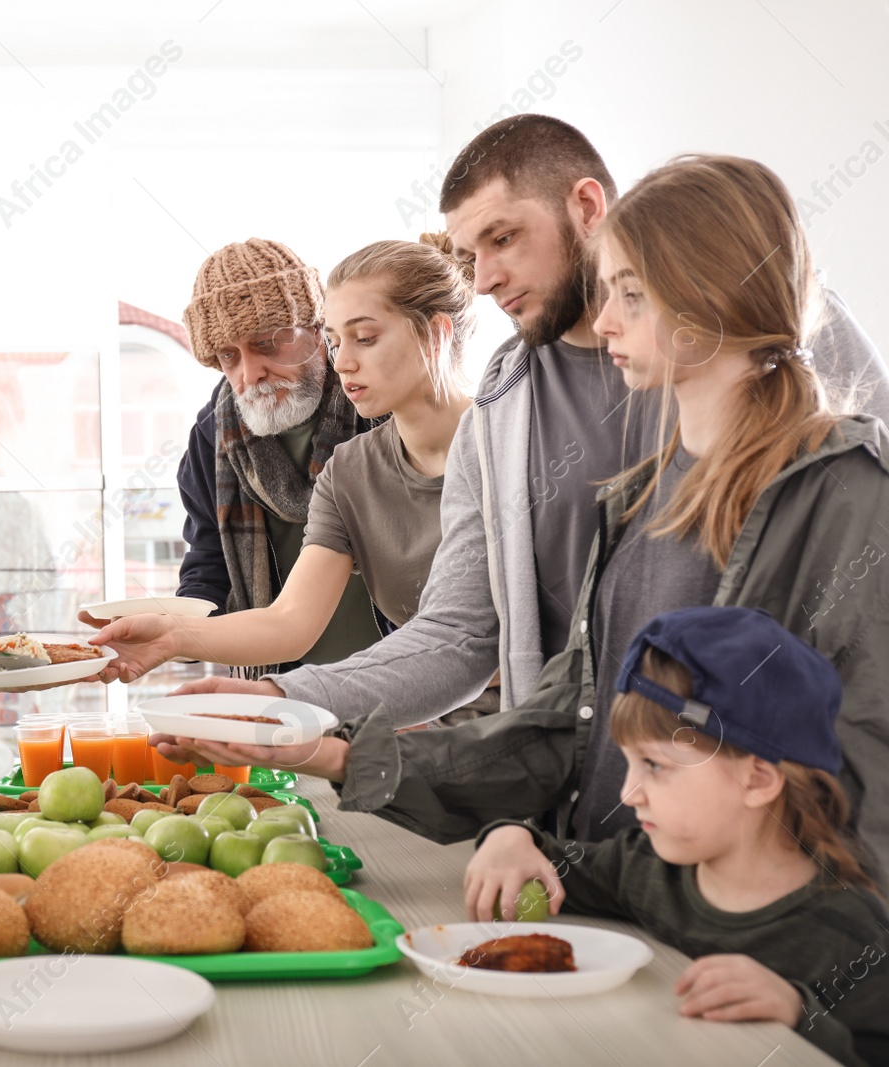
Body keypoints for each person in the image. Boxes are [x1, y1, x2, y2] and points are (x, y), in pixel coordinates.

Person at [163, 154, 889, 880]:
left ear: (713, 297)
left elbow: (863, 769)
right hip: (621, 886)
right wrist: (322, 744)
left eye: (629, 293)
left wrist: (787, 948)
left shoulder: (847, 490)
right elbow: (563, 721)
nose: (603, 320)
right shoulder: (620, 486)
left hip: (738, 931)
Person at [92, 236, 493, 720]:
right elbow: (288, 619)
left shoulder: (512, 444)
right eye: (339, 340)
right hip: (365, 704)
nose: (344, 360)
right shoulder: (346, 472)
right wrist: (173, 634)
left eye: (363, 338)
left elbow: (467, 638)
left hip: (494, 714)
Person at [465, 607, 888, 1066]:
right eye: (628, 763)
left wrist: (799, 1015)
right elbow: (549, 863)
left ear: (758, 780)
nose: (628, 794)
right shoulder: (645, 867)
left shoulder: (852, 936)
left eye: (654, 765)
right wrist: (508, 836)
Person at [109, 238, 382, 676]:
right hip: (281, 686)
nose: (249, 373)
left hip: (399, 674)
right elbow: (210, 568)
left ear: (316, 329)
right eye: (229, 356)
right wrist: (170, 630)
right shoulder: (212, 437)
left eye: (268, 344)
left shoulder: (378, 405)